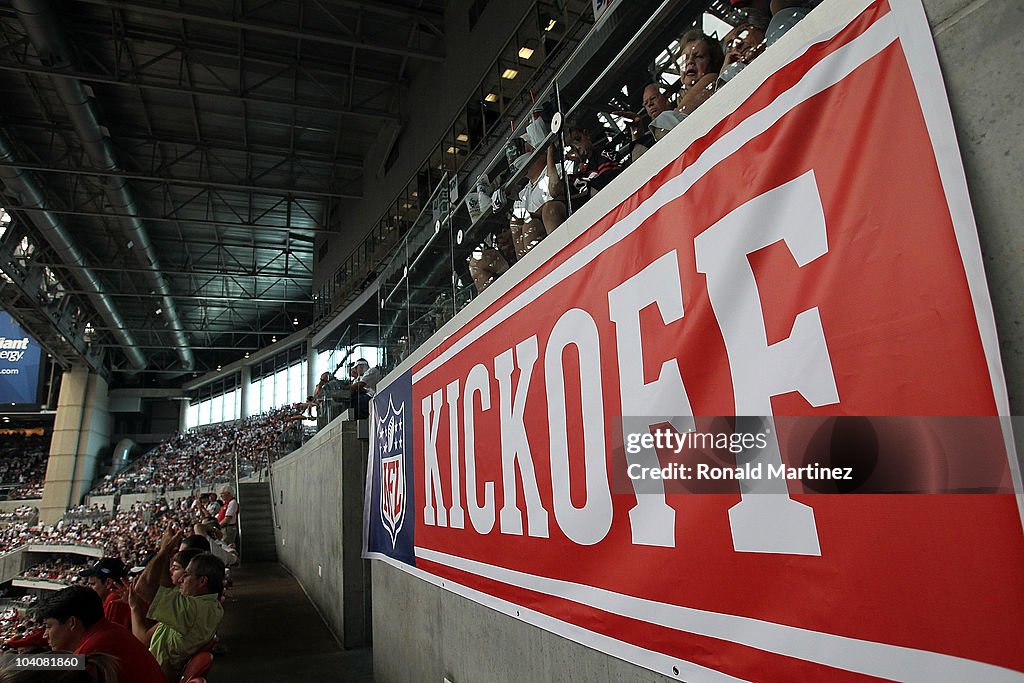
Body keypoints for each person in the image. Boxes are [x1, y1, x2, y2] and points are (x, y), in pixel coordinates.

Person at [130, 528, 225, 682]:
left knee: (81, 664)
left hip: (150, 675)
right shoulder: (209, 605)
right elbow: (165, 584)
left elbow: (143, 587)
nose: (180, 580)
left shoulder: (190, 610)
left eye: (186, 575)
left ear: (202, 581)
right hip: (153, 670)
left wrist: (164, 549)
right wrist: (167, 554)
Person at [36, 585, 165, 683]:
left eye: (48, 626)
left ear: (72, 623)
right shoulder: (111, 631)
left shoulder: (93, 652)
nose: (45, 635)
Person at [563, 124, 623, 204]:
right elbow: (555, 191)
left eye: (578, 140)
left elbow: (608, 182)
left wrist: (569, 201)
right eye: (571, 148)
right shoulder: (576, 175)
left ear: (586, 134)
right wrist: (550, 153)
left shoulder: (602, 153)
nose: (577, 147)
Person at [676, 30, 724, 116]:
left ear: (712, 62)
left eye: (698, 56)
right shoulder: (679, 100)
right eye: (685, 58)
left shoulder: (712, 80)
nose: (690, 61)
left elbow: (677, 118)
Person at [78, 558, 131, 630]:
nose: (89, 588)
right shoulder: (114, 598)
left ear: (108, 583)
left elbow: (106, 635)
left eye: (93, 584)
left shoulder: (114, 599)